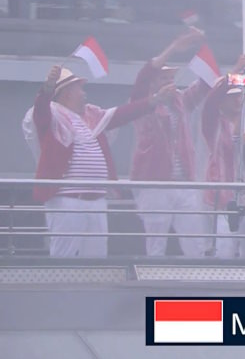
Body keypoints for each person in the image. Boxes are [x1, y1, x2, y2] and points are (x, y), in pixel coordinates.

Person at [24, 66, 169, 257]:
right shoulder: (52, 117)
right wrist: (48, 87)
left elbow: (121, 114)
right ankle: (59, 287)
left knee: (97, 257)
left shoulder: (90, 119)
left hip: (96, 201)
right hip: (67, 200)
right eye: (79, 89)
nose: (84, 95)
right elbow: (41, 110)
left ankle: (92, 287)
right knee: (63, 255)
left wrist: (154, 100)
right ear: (66, 93)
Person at [129, 28, 211, 257]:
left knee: (195, 243)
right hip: (154, 183)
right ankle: (154, 285)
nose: (169, 82)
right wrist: (174, 47)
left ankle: (197, 287)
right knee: (156, 244)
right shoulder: (141, 104)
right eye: (163, 78)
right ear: (153, 82)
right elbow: (144, 76)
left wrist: (204, 45)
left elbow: (206, 83)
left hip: (184, 182)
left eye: (171, 78)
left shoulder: (181, 102)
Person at [200, 54, 245, 258]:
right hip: (221, 202)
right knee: (224, 253)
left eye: (239, 95)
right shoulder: (213, 126)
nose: (237, 99)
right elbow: (210, 102)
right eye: (231, 95)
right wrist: (237, 69)